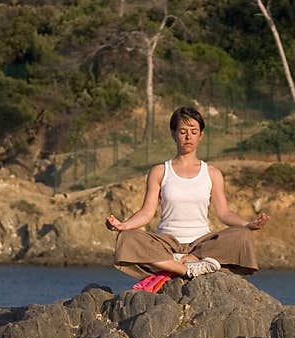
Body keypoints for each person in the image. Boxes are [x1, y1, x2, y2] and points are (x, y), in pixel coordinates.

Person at [107, 106, 268, 280]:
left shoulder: (212, 173)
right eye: (183, 131)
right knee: (127, 237)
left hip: (202, 244)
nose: (188, 136)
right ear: (173, 133)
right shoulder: (160, 171)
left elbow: (224, 213)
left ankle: (190, 260)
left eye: (193, 131)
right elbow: (147, 212)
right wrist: (123, 225)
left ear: (201, 135)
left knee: (243, 236)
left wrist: (247, 224)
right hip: (166, 244)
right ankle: (184, 268)